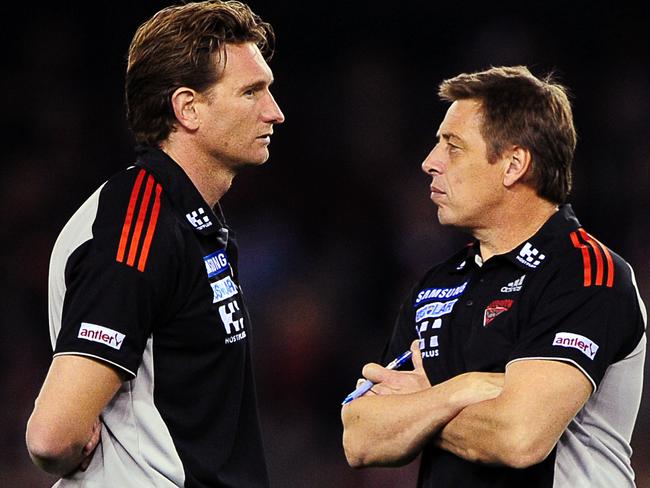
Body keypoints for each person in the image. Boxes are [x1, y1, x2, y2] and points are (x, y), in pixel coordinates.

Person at [341, 66, 646, 487]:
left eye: (453, 147)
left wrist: (420, 406)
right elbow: (360, 436)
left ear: (513, 165)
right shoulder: (437, 283)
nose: (430, 163)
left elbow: (519, 437)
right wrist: (461, 389)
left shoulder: (587, 273)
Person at [25, 1, 284, 486]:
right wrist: (66, 449)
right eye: (252, 92)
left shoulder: (187, 219)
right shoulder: (136, 221)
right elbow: (51, 436)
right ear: (188, 108)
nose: (275, 112)